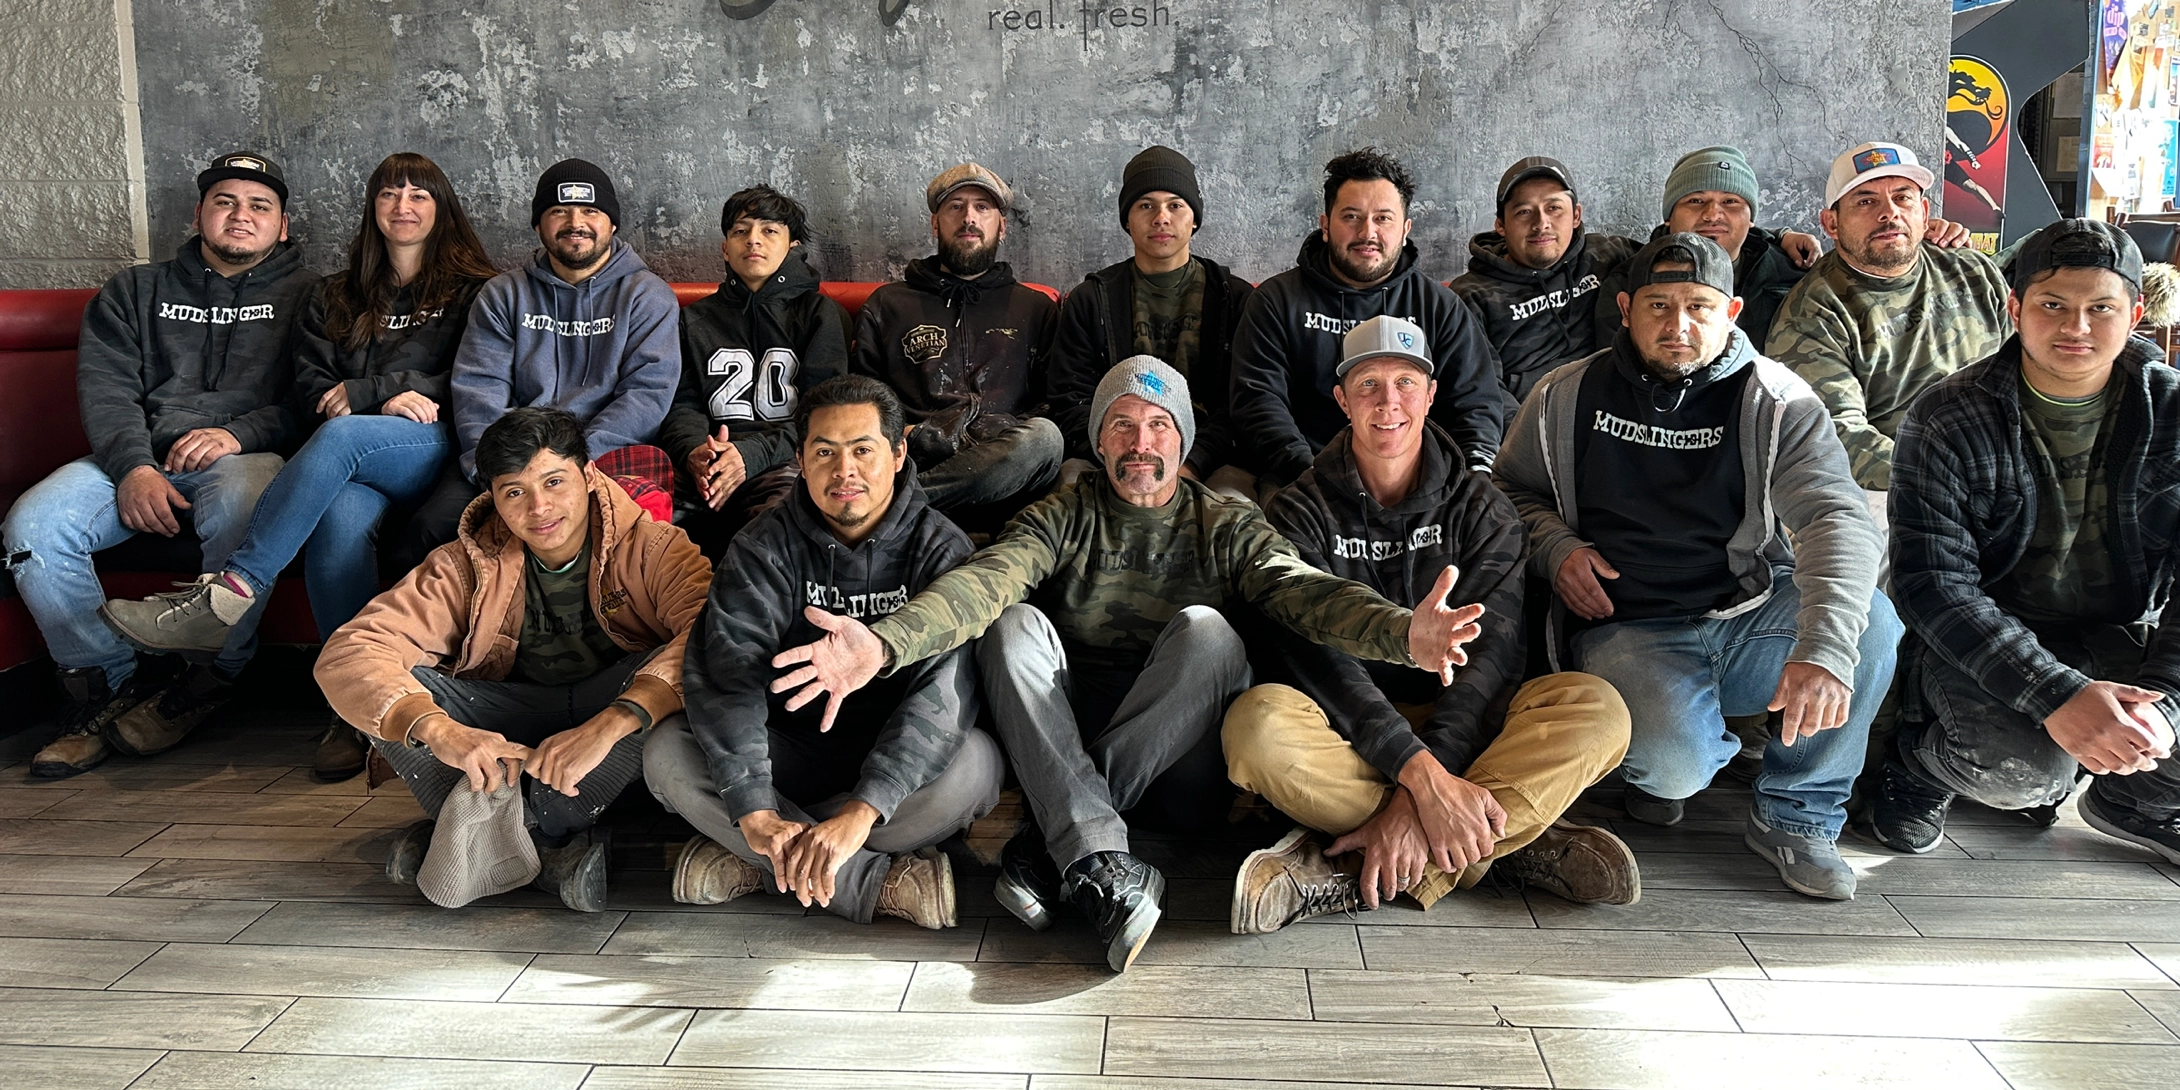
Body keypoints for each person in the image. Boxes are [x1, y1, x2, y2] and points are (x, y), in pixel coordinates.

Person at [765, 356, 1486, 973]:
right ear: (1100, 440)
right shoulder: (1063, 512)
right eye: (1123, 425)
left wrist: (1400, 632)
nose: (1141, 442)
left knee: (1211, 633)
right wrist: (883, 643)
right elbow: (985, 581)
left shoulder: (1225, 520)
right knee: (1010, 624)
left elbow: (1300, 591)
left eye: (1159, 425)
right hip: (1066, 739)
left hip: (1180, 770)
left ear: (1184, 441)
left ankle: (1061, 844)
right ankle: (1096, 855)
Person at [1494, 232, 1902, 900]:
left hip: (1745, 613)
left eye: (1698, 306)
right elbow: (1508, 491)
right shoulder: (1566, 393)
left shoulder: (1780, 400)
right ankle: (1662, 765)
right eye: (1657, 305)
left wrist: (1824, 648)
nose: (1677, 324)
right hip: (1626, 627)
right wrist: (1556, 548)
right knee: (1675, 768)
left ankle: (1797, 815)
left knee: (1871, 626)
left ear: (1732, 311)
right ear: (1625, 308)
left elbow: (1837, 519)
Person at [1223, 316, 1637, 933]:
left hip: (1468, 727)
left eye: (1404, 383)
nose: (1388, 403)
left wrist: (1418, 796)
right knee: (1255, 728)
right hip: (1348, 729)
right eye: (1368, 384)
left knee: (1599, 710)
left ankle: (1354, 859)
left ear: (1431, 394)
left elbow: (1493, 659)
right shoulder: (1298, 509)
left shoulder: (1482, 506)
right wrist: (1421, 777)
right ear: (1341, 400)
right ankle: (1500, 845)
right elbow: (1315, 662)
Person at [94, 152, 498, 782]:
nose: (403, 206)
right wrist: (366, 398)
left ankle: (231, 591)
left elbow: (474, 376)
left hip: (435, 447)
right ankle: (359, 706)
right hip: (346, 460)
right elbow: (310, 387)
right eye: (390, 194)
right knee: (337, 520)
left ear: (442, 210)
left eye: (420, 195)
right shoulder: (333, 295)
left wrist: (372, 392)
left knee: (343, 434)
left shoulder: (479, 289)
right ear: (372, 209)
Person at [314, 408, 711, 912]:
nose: (539, 507)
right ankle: (540, 844)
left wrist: (612, 723)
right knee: (394, 689)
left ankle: (472, 832)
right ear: (494, 501)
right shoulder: (463, 562)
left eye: (554, 481)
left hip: (604, 723)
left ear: (589, 476)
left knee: (673, 682)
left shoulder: (654, 547)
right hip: (508, 726)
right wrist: (440, 730)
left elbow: (710, 637)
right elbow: (350, 651)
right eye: (515, 492)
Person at [1872, 220, 2180, 863]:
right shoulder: (1948, 415)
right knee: (2023, 774)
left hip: (2115, 633)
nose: (2077, 328)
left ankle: (2135, 798)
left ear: (2135, 313)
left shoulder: (2171, 412)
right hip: (1983, 636)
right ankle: (1917, 763)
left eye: (2101, 308)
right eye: (2052, 306)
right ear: (2015, 309)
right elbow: (1931, 586)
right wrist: (2057, 695)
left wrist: (2167, 705)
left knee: (2158, 731)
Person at [646, 376, 999, 927]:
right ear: (801, 460)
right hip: (786, 754)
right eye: (825, 452)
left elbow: (943, 695)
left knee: (977, 765)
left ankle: (757, 863)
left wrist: (862, 812)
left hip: (890, 776)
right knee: (667, 752)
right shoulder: (762, 546)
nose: (844, 471)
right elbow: (729, 680)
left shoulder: (941, 546)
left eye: (863, 450)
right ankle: (871, 880)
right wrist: (759, 811)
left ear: (899, 452)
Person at [7, 152, 311, 778]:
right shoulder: (133, 291)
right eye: (225, 201)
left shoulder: (313, 296)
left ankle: (206, 679)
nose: (240, 216)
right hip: (135, 456)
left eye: (260, 206)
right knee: (32, 527)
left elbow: (312, 399)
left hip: (245, 458)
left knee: (245, 506)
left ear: (283, 226)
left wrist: (238, 434)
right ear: (199, 213)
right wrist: (135, 468)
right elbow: (107, 392)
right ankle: (105, 687)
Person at [407, 158, 682, 554]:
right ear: (538, 224)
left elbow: (647, 393)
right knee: (429, 532)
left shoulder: (645, 295)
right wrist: (502, 466)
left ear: (612, 223)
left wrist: (568, 466)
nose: (576, 222)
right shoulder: (504, 294)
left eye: (590, 210)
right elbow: (478, 388)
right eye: (559, 211)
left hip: (597, 458)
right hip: (508, 455)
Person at [1231, 147, 1504, 488]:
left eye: (1383, 218)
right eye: (1351, 216)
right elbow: (1258, 404)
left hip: (1421, 487)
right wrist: (1314, 480)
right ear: (1325, 225)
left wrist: (1469, 483)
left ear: (1405, 230)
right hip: (1303, 484)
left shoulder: (1441, 307)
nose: (1367, 233)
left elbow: (1475, 403)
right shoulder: (1274, 302)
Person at [1768, 141, 2012, 510]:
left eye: (1903, 197)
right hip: (1897, 489)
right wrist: (1949, 479)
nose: (1889, 213)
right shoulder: (1814, 313)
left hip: (2005, 466)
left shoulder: (1973, 271)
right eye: (1866, 201)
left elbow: (2027, 373)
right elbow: (1838, 436)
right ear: (1831, 223)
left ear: (1925, 211)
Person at [851, 162, 1063, 516]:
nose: (969, 218)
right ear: (936, 223)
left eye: (982, 207)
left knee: (1045, 438)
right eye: (955, 206)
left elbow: (1054, 399)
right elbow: (861, 397)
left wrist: (997, 431)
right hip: (917, 458)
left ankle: (888, 512)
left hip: (1008, 466)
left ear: (1002, 226)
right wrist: (908, 433)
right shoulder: (889, 305)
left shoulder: (1035, 308)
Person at [1048, 146, 1257, 497]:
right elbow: (1069, 400)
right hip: (1113, 456)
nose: (1161, 217)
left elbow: (1241, 401)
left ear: (1194, 219)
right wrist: (1122, 459)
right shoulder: (1091, 300)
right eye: (1146, 205)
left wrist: (1191, 464)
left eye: (1175, 205)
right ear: (1127, 219)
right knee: (1071, 485)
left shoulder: (1233, 299)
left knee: (1235, 504)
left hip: (1209, 459)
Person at [658, 184, 851, 555]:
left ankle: (752, 607)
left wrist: (750, 456)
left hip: (783, 460)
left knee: (787, 521)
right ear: (725, 249)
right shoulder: (694, 319)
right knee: (636, 521)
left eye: (769, 230)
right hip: (707, 464)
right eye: (740, 231)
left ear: (792, 246)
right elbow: (681, 402)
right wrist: (695, 452)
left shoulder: (819, 315)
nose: (753, 241)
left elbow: (824, 416)